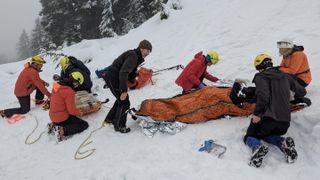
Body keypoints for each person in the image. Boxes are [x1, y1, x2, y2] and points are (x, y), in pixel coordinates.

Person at [244, 54, 307, 168]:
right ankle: (283, 142)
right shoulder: (286, 76)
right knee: (267, 134)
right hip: (284, 121)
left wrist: (257, 114)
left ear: (258, 66)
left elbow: (263, 96)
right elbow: (302, 92)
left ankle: (257, 147)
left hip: (268, 118)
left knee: (250, 135)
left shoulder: (261, 77)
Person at [103, 39, 152, 133]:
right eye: (148, 50)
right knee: (124, 102)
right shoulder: (133, 56)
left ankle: (110, 119)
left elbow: (128, 70)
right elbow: (123, 72)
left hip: (115, 77)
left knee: (120, 100)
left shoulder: (136, 56)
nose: (149, 53)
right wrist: (124, 90)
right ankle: (119, 126)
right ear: (142, 48)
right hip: (113, 78)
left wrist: (134, 76)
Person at [48, 72, 88, 141]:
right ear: (75, 82)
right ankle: (62, 130)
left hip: (53, 116)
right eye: (77, 84)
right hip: (61, 117)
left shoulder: (58, 86)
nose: (77, 86)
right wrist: (79, 112)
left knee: (72, 118)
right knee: (84, 124)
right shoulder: (69, 91)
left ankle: (55, 124)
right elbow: (71, 110)